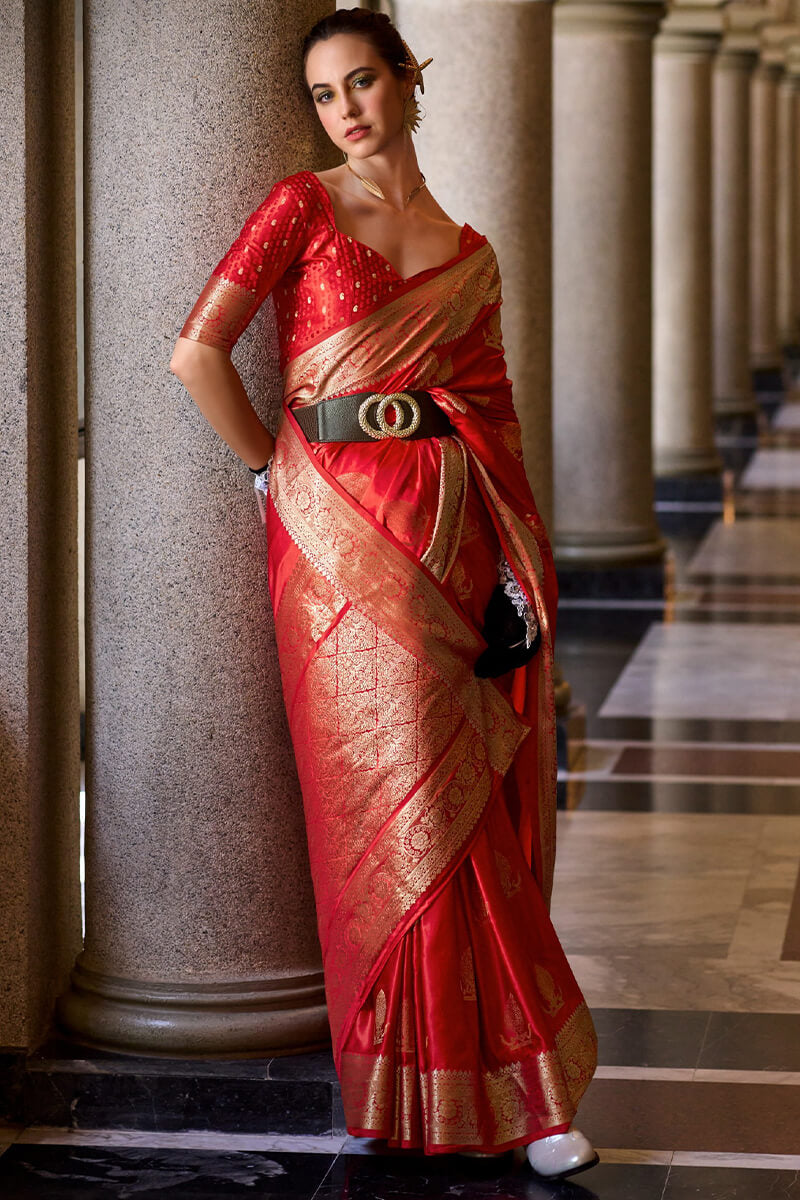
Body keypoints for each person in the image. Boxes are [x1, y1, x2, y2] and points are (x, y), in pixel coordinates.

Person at [170, 7, 598, 1178]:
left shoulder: (468, 251)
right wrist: (269, 467)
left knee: (466, 811)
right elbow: (196, 351)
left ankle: (526, 1096)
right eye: (323, 94)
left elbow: (495, 420)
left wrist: (516, 568)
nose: (346, 109)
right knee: (387, 815)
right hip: (333, 540)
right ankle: (400, 1087)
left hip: (454, 534)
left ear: (410, 82)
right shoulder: (300, 206)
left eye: (363, 82)